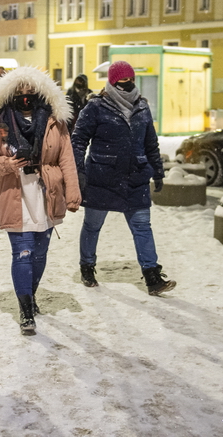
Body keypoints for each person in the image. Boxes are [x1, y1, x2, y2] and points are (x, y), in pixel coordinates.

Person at [0, 66, 81, 336]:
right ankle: (25, 310)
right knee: (22, 253)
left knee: (39, 254)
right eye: (20, 92)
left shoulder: (53, 122)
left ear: (40, 93)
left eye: (31, 91)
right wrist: (8, 163)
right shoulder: (1, 125)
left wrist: (73, 193)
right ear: (11, 94)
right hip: (15, 195)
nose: (25, 96)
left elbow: (67, 160)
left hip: (45, 195)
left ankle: (31, 294)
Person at [71, 60, 176, 296]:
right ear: (112, 82)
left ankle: (152, 277)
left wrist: (157, 170)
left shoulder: (142, 107)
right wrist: (79, 171)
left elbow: (150, 143)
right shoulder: (96, 106)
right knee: (92, 225)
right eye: (122, 81)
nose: (127, 84)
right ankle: (87, 266)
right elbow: (78, 140)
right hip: (101, 177)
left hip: (135, 177)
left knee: (142, 226)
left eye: (131, 80)